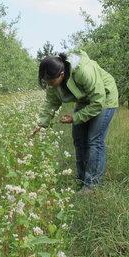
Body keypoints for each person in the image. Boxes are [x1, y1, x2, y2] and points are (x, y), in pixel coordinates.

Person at [33, 50, 118, 192]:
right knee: (79, 139)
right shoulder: (53, 80)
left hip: (105, 98)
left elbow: (98, 101)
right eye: (46, 81)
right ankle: (81, 178)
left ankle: (91, 185)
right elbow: (51, 102)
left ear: (61, 74)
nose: (50, 85)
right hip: (84, 99)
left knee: (94, 140)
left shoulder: (83, 71)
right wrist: (41, 123)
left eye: (51, 82)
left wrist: (75, 117)